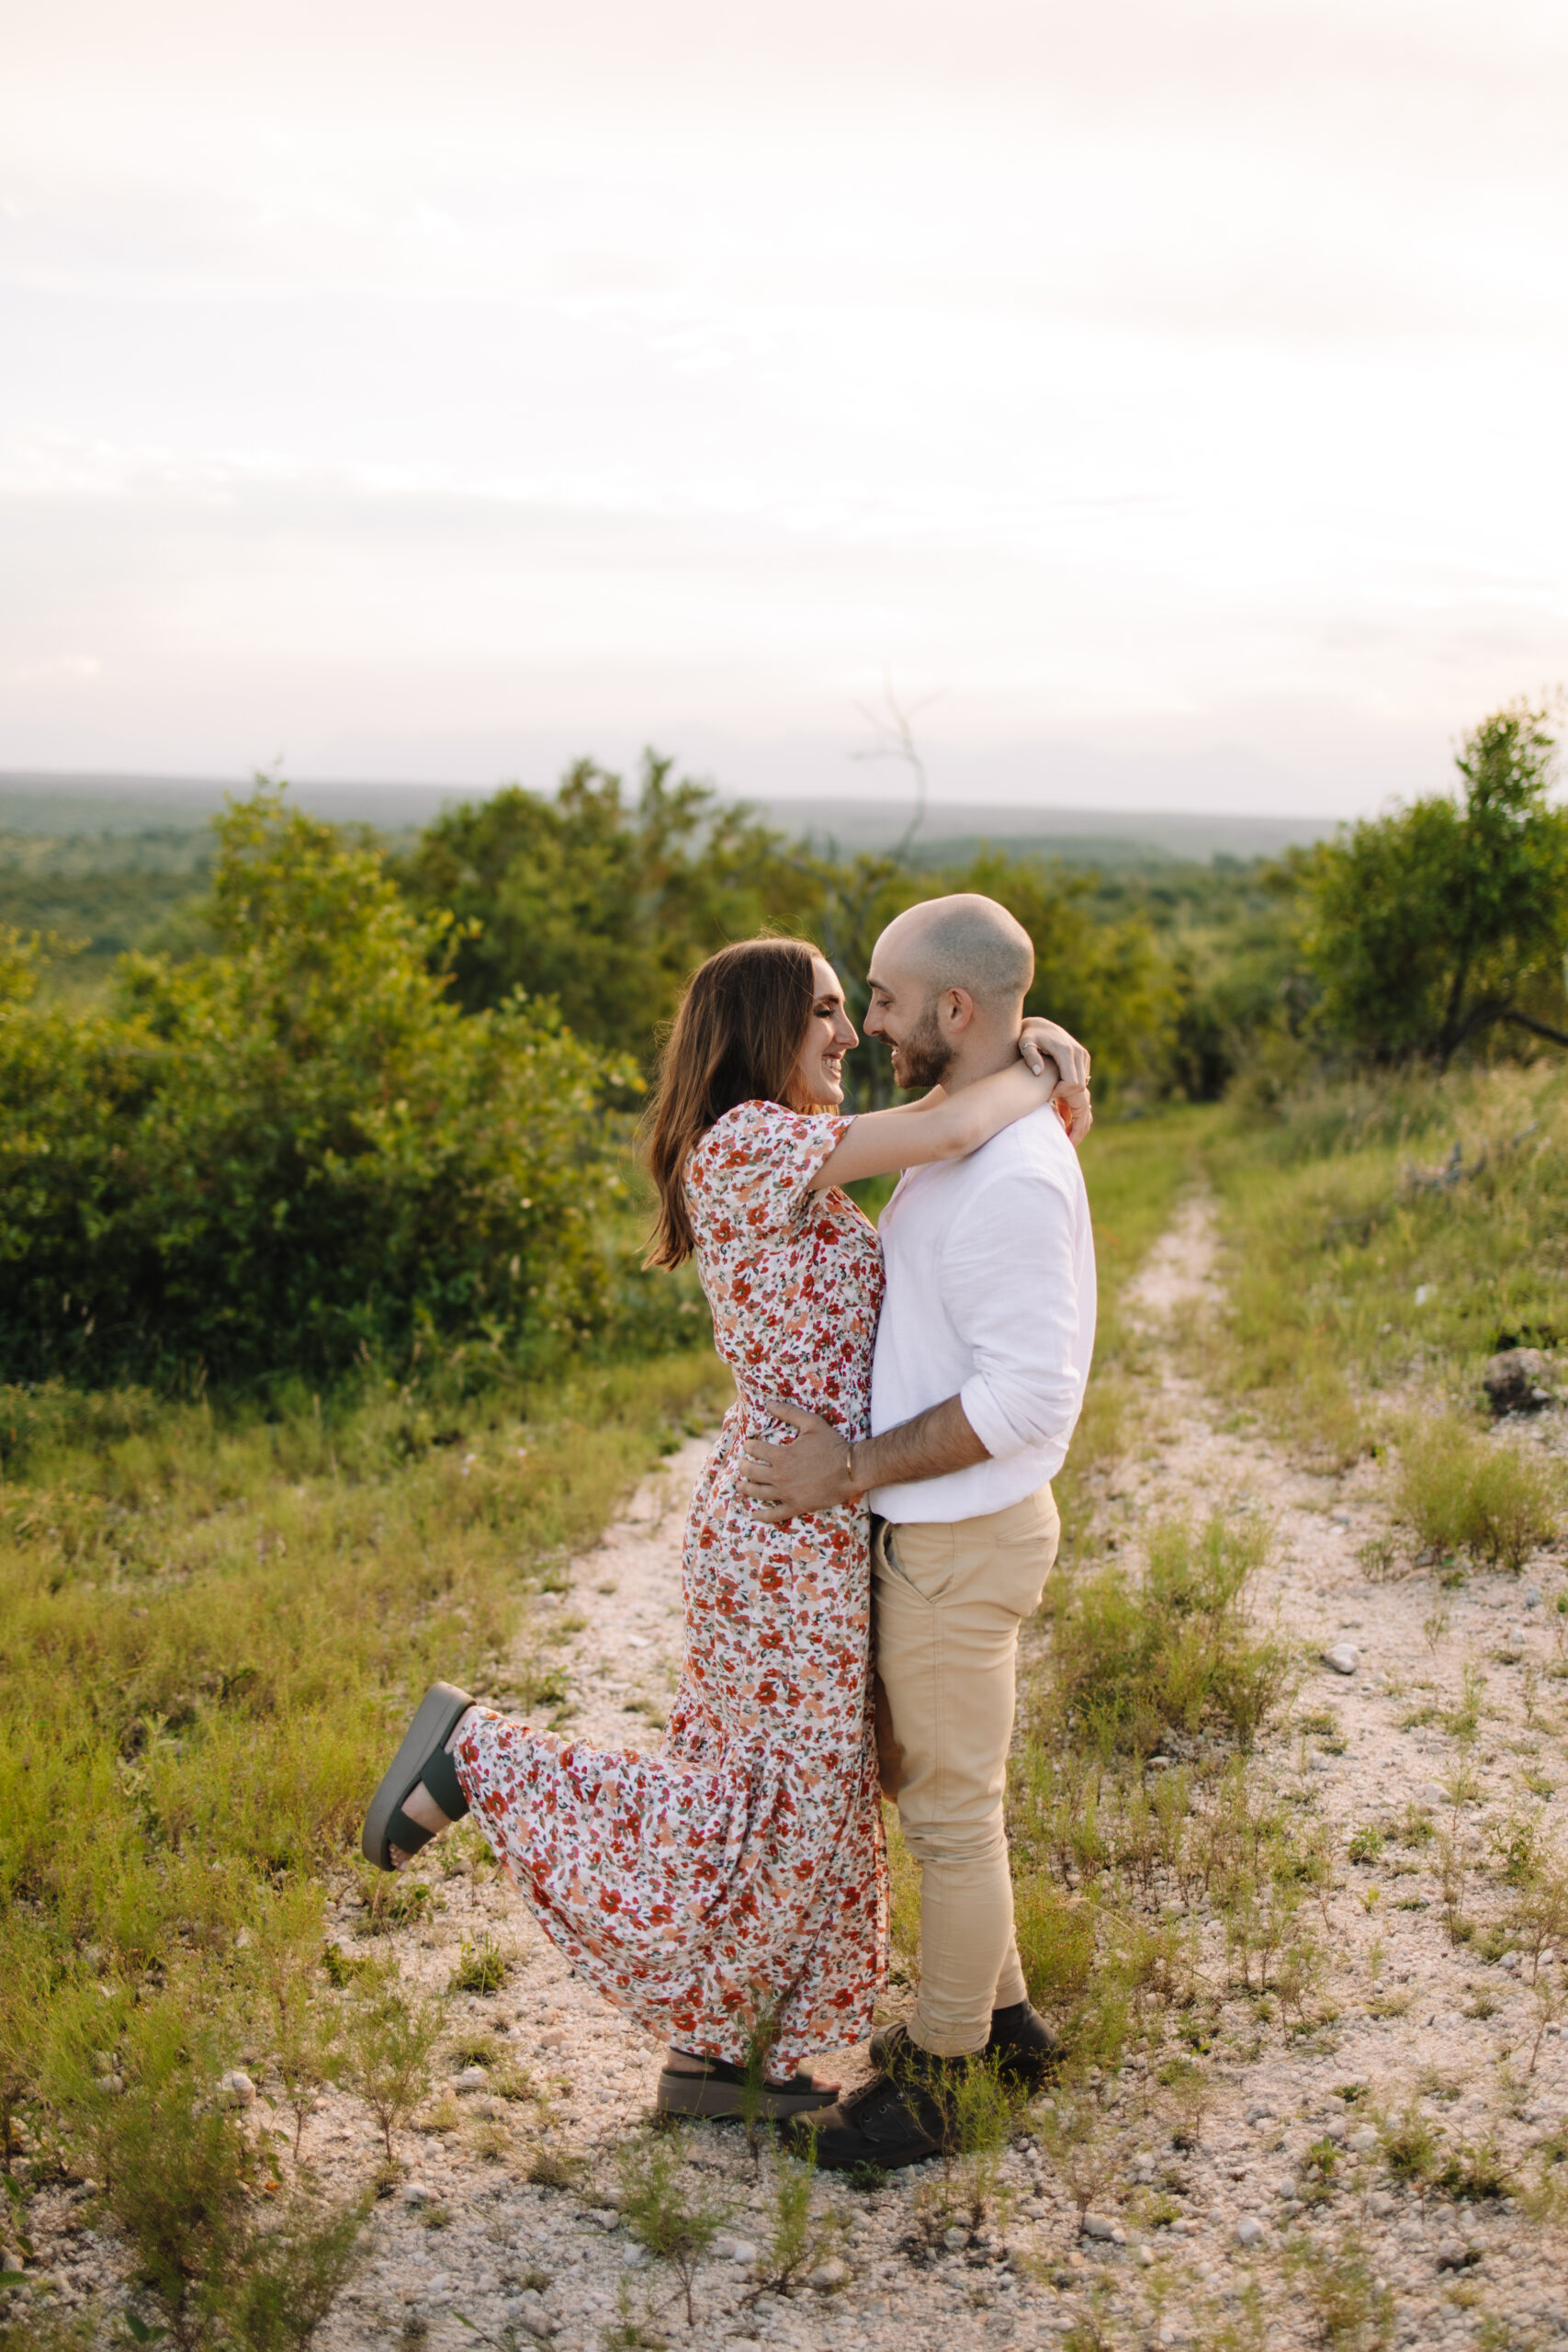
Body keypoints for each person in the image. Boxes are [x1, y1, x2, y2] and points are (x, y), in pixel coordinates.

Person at [361, 933, 1089, 2122]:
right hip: (785, 1534)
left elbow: (977, 1182)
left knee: (786, 1804)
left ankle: (723, 2062)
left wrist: (1055, 1092)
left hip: (807, 1524)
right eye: (826, 1012)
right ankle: (481, 1757)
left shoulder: (789, 1154)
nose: (851, 1036)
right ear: (761, 1030)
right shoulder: (752, 1142)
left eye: (860, 1011)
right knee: (777, 1811)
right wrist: (1042, 1065)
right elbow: (956, 1131)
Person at [736, 894, 1097, 2169]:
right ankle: (1000, 2028)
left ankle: (944, 2079)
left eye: (882, 1000)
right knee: (945, 1797)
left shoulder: (1009, 1174)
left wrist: (854, 1468)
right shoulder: (971, 1138)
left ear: (955, 1010)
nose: (870, 1021)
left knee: (951, 1815)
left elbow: (1026, 1397)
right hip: (933, 1532)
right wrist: (1043, 1060)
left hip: (957, 1536)